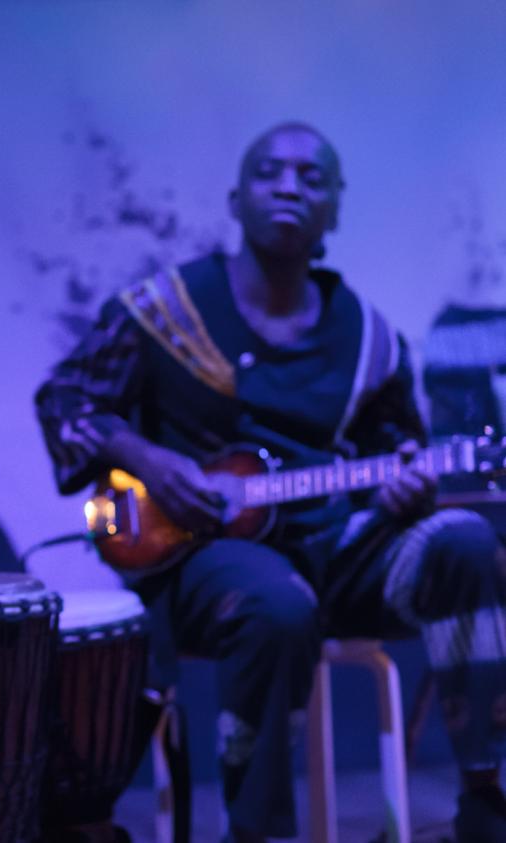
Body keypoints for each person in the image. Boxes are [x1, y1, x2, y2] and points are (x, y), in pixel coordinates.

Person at [34, 122, 506, 842]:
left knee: (467, 541)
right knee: (276, 602)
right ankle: (259, 831)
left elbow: (400, 447)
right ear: (236, 196)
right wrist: (150, 458)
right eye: (270, 172)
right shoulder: (168, 310)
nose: (290, 186)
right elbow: (65, 401)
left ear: (335, 211)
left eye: (312, 177)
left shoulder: (370, 337)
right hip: (204, 562)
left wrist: (410, 489)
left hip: (341, 553)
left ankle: (483, 799)